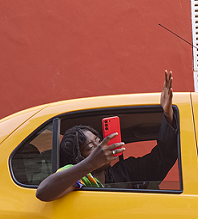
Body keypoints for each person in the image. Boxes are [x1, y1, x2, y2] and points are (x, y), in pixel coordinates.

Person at [36, 70, 178, 201]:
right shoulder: (81, 179)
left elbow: (162, 158)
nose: (101, 146)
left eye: (99, 140)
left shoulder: (125, 171)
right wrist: (90, 164)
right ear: (78, 159)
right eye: (91, 147)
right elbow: (43, 192)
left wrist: (167, 114)